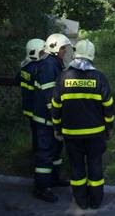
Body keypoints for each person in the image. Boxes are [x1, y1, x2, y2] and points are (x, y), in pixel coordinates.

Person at [51, 39, 114, 210]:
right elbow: (108, 106)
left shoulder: (63, 77)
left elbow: (56, 107)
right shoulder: (99, 78)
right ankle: (96, 200)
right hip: (96, 134)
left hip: (71, 134)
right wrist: (109, 128)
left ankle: (81, 201)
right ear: (92, 55)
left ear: (75, 54)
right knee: (95, 165)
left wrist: (57, 128)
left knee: (76, 167)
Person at [31, 33, 73, 202]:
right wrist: (57, 122)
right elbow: (51, 99)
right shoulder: (49, 66)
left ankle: (54, 179)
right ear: (56, 48)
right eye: (63, 48)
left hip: (51, 119)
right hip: (46, 120)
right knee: (45, 153)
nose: (65, 51)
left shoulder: (53, 63)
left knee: (56, 152)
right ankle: (41, 188)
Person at [18, 39, 45, 152]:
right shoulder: (37, 69)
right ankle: (40, 154)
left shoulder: (24, 66)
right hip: (37, 108)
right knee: (42, 135)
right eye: (43, 52)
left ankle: (35, 152)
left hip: (28, 107)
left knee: (34, 132)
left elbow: (17, 79)